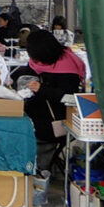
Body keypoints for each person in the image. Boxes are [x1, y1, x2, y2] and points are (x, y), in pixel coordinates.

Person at [16, 29, 85, 173]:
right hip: (36, 109)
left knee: (26, 129)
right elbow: (28, 73)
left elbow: (69, 97)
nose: (33, 59)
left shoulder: (68, 66)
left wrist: (42, 89)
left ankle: (36, 169)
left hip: (55, 119)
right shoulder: (38, 61)